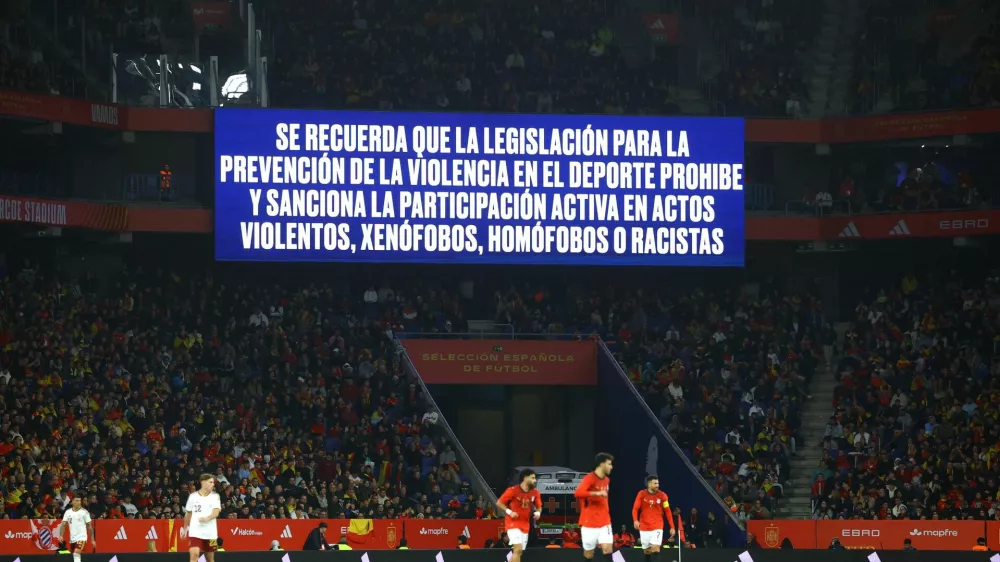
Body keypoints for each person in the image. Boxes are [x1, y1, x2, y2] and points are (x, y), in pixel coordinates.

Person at [573, 452, 614, 559]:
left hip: (605, 521)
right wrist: (595, 493)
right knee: (588, 554)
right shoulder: (589, 478)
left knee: (608, 548)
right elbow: (578, 493)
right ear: (602, 464)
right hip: (589, 522)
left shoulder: (606, 480)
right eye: (609, 464)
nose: (611, 467)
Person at [497, 468, 542, 562]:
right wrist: (510, 512)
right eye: (533, 478)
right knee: (518, 549)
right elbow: (499, 503)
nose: (535, 480)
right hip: (513, 523)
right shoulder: (513, 490)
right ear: (525, 478)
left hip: (525, 525)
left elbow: (539, 506)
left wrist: (538, 513)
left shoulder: (535, 492)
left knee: (519, 552)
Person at [631, 475, 676, 561]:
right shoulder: (641, 494)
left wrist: (672, 527)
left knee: (655, 548)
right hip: (644, 526)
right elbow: (635, 508)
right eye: (655, 483)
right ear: (649, 484)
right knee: (647, 551)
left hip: (657, 526)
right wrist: (635, 520)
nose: (657, 485)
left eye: (658, 483)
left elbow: (668, 511)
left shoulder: (663, 496)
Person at [185, 474, 222, 562]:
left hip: (211, 532)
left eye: (213, 482)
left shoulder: (215, 496)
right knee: (195, 555)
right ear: (203, 483)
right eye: (211, 482)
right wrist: (185, 527)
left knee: (210, 558)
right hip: (195, 530)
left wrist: (207, 518)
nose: (213, 484)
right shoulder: (193, 496)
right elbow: (188, 513)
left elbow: (216, 512)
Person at [58, 496, 95, 562]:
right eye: (76, 500)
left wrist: (92, 540)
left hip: (82, 537)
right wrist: (61, 535)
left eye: (79, 501)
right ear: (72, 502)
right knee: (75, 555)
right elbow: (63, 525)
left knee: (76, 553)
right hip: (72, 538)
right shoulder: (68, 512)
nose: (78, 502)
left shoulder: (84, 512)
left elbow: (89, 527)